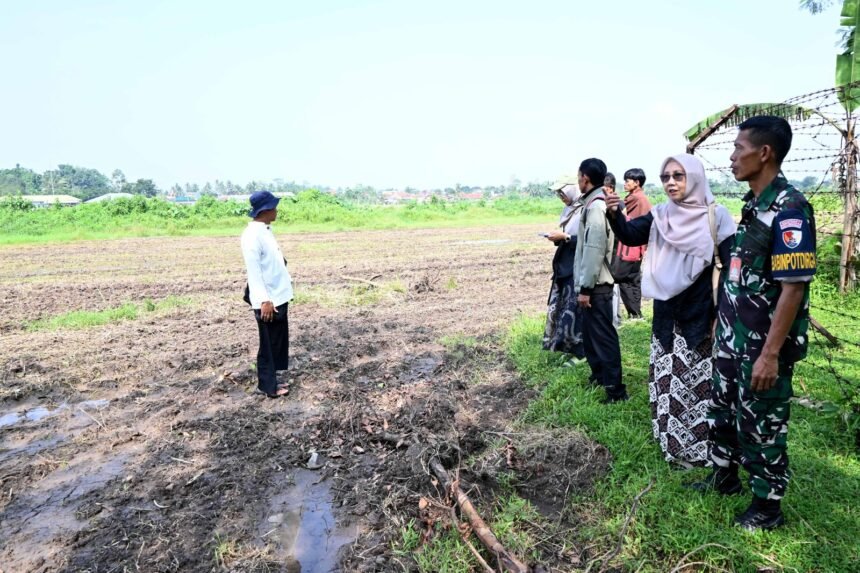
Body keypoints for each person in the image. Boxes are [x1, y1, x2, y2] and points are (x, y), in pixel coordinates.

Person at [695, 116, 816, 532]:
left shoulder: (791, 209)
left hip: (762, 346)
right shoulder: (753, 206)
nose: (731, 156)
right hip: (733, 338)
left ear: (764, 153)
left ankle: (767, 507)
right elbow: (739, 275)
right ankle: (723, 475)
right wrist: (721, 323)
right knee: (723, 410)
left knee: (761, 422)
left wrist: (769, 355)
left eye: (738, 148)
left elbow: (793, 289)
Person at [606, 154, 735, 467]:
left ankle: (704, 451)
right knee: (669, 379)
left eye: (678, 176)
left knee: (700, 380)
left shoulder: (717, 217)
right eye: (665, 177)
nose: (671, 183)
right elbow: (631, 234)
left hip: (702, 311)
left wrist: (723, 315)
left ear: (694, 177)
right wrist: (614, 215)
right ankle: (672, 443)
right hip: (667, 311)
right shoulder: (661, 214)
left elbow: (730, 269)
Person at [574, 158, 626, 403]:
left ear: (585, 177)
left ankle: (615, 391)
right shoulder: (595, 202)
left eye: (579, 176)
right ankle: (599, 376)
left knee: (603, 336)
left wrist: (585, 287)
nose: (578, 180)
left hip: (596, 285)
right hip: (593, 284)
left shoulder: (596, 206)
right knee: (591, 333)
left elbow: (594, 248)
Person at [241, 190, 294, 398]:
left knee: (275, 341)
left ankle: (272, 378)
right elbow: (254, 272)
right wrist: (264, 300)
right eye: (274, 206)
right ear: (266, 210)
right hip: (268, 300)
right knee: (268, 344)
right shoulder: (252, 236)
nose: (277, 210)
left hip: (277, 296)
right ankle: (267, 386)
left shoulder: (264, 230)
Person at [542, 176, 586, 365]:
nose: (561, 196)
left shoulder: (587, 209)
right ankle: (569, 347)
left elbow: (589, 242)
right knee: (565, 309)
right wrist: (559, 238)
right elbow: (569, 237)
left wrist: (566, 237)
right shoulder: (569, 210)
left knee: (576, 311)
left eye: (563, 192)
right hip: (565, 265)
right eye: (558, 193)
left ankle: (582, 352)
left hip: (579, 266)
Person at [613, 168, 653, 320]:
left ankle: (634, 314)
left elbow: (626, 220)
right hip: (638, 246)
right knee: (634, 278)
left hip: (631, 246)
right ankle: (636, 314)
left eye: (628, 181)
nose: (625, 184)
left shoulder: (636, 199)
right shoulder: (638, 197)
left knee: (623, 277)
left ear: (637, 183)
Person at [603, 173, 623, 328]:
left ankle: (614, 319)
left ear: (609, 188)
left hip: (614, 252)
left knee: (613, 285)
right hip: (610, 251)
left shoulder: (618, 206)